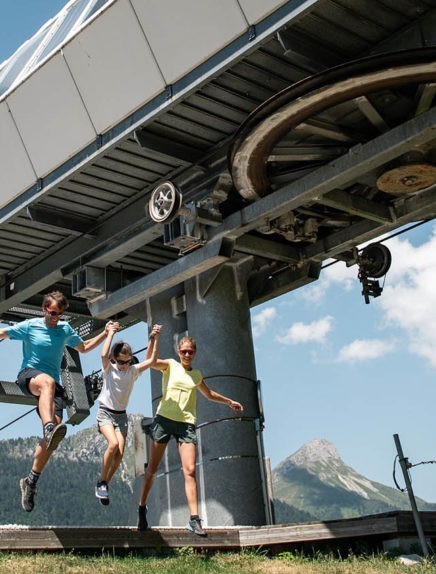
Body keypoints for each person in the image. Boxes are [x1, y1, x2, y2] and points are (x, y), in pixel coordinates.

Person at [0, 290, 117, 513]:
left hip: (52, 386)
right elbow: (3, 333)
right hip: (30, 375)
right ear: (45, 309)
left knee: (51, 441)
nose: (55, 317)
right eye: (53, 313)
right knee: (46, 384)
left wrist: (106, 333)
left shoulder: (64, 329)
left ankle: (31, 481)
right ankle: (49, 426)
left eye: (59, 314)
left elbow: (83, 347)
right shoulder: (30, 326)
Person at [137, 335, 243, 536]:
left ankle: (195, 520)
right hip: (163, 420)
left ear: (194, 353)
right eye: (184, 351)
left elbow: (209, 394)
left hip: (186, 424)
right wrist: (154, 339)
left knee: (190, 470)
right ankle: (142, 508)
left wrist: (229, 401)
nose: (187, 354)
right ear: (178, 352)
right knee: (152, 468)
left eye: (190, 352)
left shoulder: (196, 375)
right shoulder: (169, 365)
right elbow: (150, 360)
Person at [95, 322, 162, 506]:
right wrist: (110, 333)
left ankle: (105, 485)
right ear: (114, 359)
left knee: (120, 453)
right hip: (105, 413)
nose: (124, 365)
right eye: (121, 361)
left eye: (127, 361)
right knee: (113, 444)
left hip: (121, 416)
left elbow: (153, 361)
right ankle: (101, 480)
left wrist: (154, 339)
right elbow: (103, 354)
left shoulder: (133, 371)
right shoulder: (109, 369)